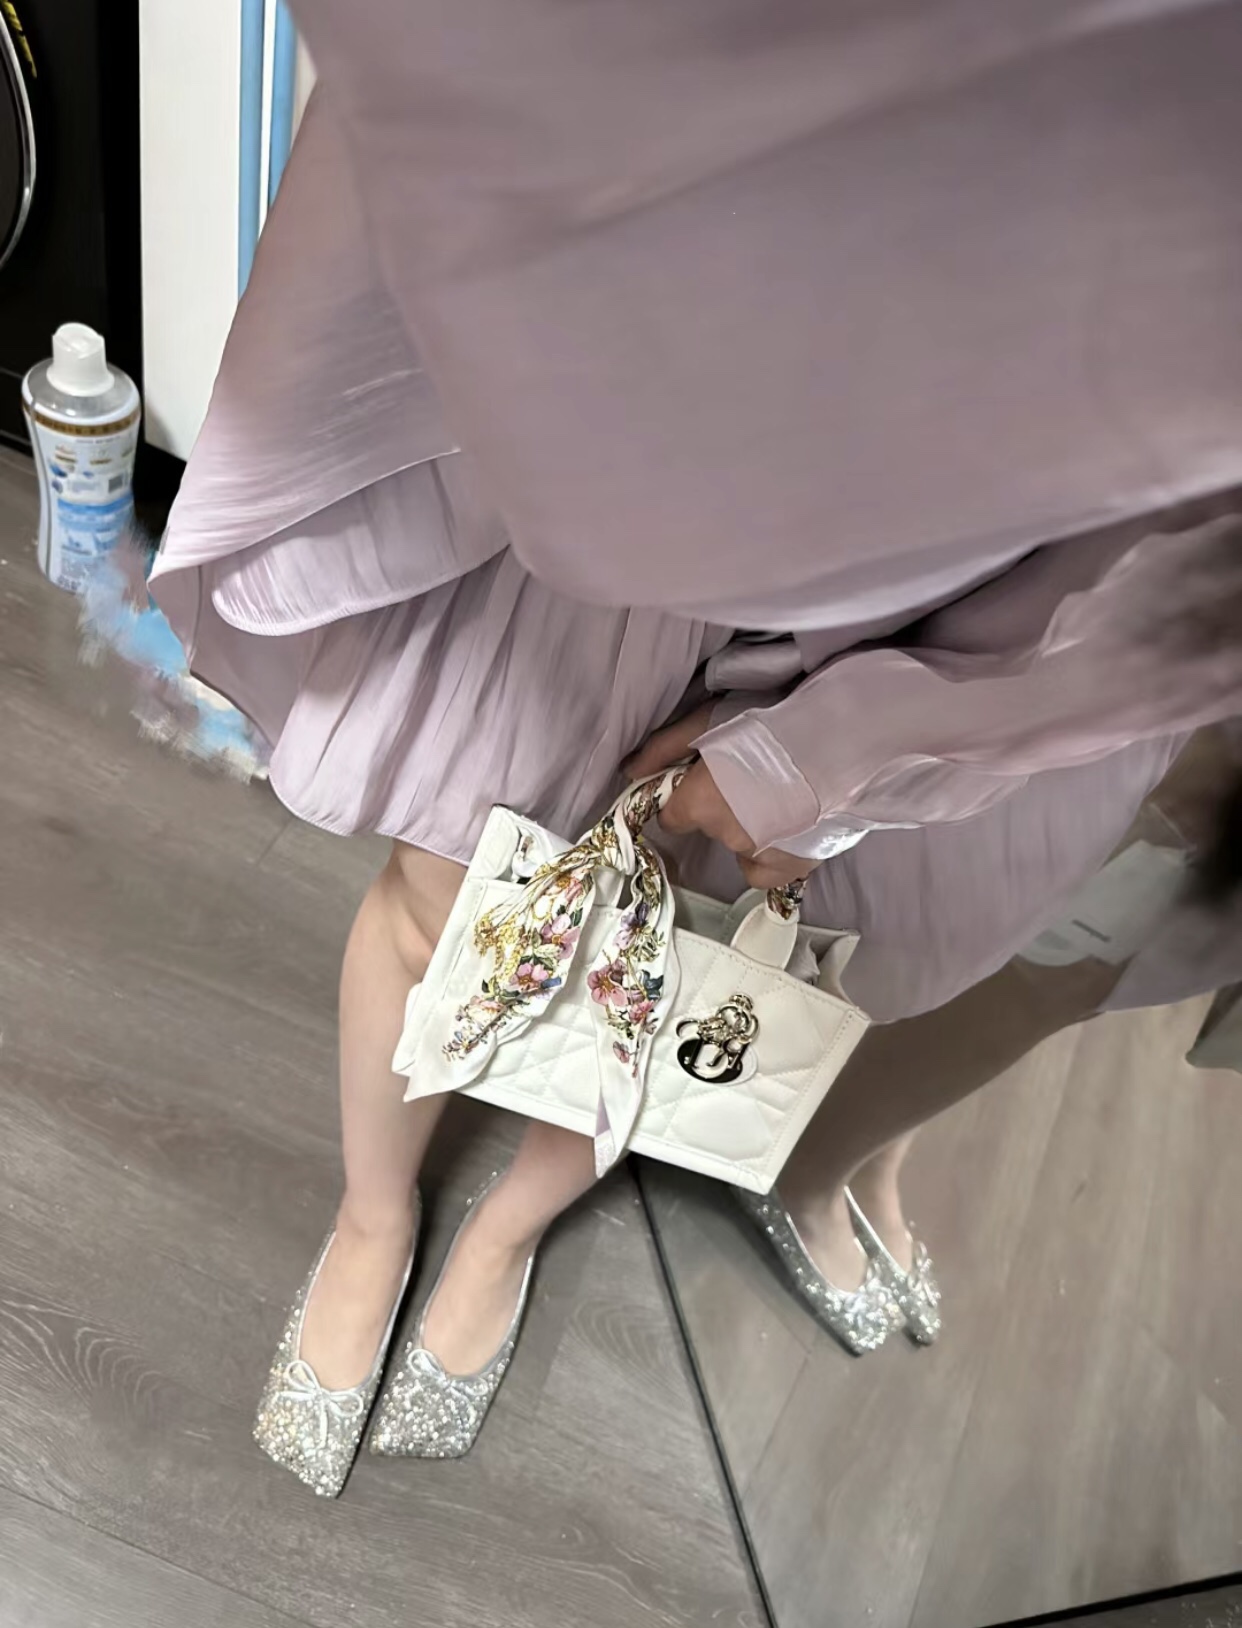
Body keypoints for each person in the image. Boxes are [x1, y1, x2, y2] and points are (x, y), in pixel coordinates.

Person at [149, 1, 1242, 1495]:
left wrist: (853, 749)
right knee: (437, 895)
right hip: (608, 423)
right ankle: (374, 1217)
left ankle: (503, 1231)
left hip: (953, 602)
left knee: (685, 979)